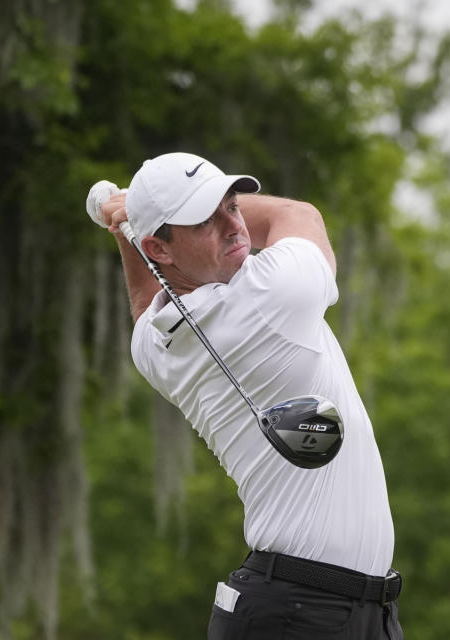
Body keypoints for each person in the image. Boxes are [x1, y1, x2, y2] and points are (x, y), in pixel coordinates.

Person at [95, 152, 403, 639]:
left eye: (232, 205)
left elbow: (142, 308)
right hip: (303, 614)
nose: (233, 226)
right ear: (161, 249)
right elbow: (299, 216)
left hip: (326, 610)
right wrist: (133, 214)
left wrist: (132, 234)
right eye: (205, 219)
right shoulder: (270, 293)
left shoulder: (157, 346)